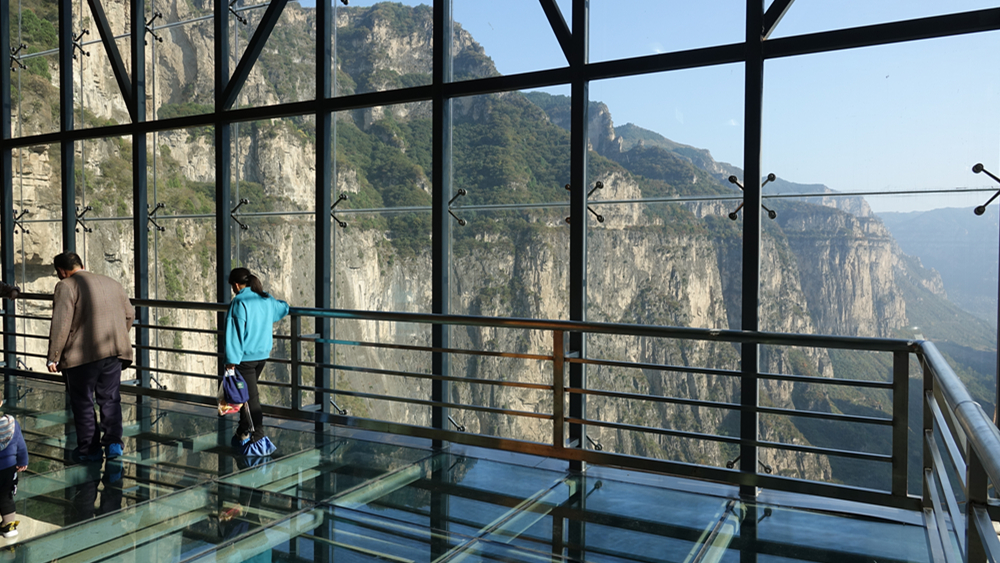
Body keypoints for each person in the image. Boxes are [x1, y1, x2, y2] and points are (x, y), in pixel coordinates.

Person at [46, 252, 135, 463]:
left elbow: (61, 323)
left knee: (83, 402)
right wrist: (118, 336)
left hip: (81, 357)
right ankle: (114, 444)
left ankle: (90, 449)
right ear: (82, 265)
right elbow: (129, 314)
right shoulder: (112, 283)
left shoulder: (66, 286)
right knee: (110, 399)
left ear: (61, 271)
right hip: (113, 352)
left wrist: (54, 356)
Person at [224, 268, 289, 454]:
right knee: (247, 395)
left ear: (236, 285)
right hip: (262, 355)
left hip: (244, 358)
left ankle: (258, 437)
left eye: (232, 287)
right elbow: (283, 308)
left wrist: (231, 361)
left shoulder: (239, 302)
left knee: (249, 399)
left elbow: (234, 334)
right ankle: (242, 431)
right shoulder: (265, 298)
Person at [0, 401, 28, 538]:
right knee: (6, 497)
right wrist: (23, 461)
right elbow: (21, 445)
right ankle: (9, 526)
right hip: (8, 468)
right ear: (0, 403)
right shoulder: (12, 423)